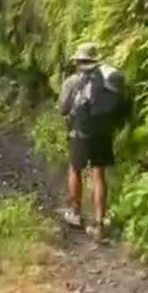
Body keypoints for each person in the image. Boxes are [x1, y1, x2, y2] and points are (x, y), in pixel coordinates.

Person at [57, 42, 119, 240]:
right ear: (96, 60)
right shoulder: (106, 81)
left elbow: (63, 108)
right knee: (98, 175)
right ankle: (99, 222)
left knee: (75, 170)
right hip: (102, 134)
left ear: (77, 61)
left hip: (79, 134)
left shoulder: (72, 81)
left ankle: (75, 213)